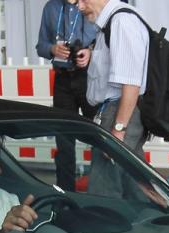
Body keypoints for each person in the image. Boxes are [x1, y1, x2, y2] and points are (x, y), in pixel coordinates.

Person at [76, 0, 150, 197]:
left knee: (104, 193)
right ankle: (153, 223)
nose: (79, 7)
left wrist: (117, 132)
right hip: (116, 114)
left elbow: (131, 85)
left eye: (82, 0)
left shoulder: (121, 22)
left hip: (118, 114)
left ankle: (104, 226)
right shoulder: (111, 24)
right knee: (134, 187)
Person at [36, 0, 99, 192]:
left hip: (89, 77)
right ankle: (65, 195)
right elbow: (41, 46)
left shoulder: (93, 3)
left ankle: (100, 190)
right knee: (63, 140)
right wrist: (52, 49)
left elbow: (108, 40)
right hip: (62, 79)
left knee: (98, 136)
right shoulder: (51, 8)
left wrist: (91, 52)